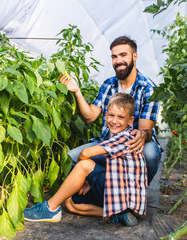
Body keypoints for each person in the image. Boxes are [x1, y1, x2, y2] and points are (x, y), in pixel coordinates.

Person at [23, 93, 147, 227]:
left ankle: (50, 208)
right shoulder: (119, 135)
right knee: (71, 202)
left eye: (121, 117)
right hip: (123, 198)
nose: (115, 121)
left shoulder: (126, 137)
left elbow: (86, 153)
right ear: (105, 116)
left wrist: (85, 178)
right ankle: (117, 214)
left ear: (130, 121)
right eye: (111, 115)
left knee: (84, 164)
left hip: (123, 196)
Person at [59, 35, 162, 184]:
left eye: (123, 55)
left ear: (135, 56)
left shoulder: (148, 89)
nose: (118, 60)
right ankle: (104, 188)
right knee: (70, 158)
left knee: (150, 153)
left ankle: (139, 191)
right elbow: (89, 116)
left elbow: (146, 130)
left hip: (133, 145)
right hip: (108, 143)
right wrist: (77, 92)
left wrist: (141, 134)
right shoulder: (108, 85)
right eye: (114, 56)